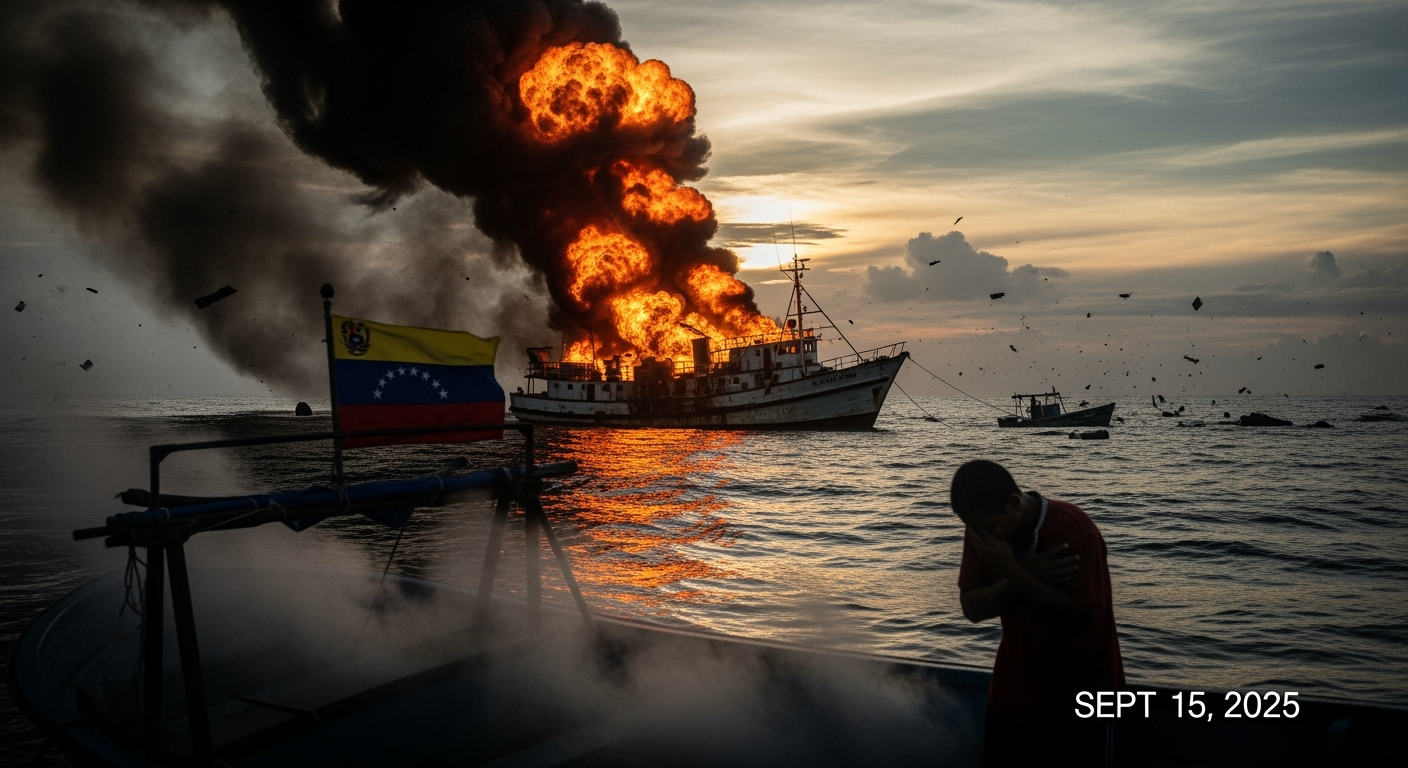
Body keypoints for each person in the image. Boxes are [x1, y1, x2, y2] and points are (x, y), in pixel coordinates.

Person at [951, 460, 1124, 766]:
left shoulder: (1075, 529)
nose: (983, 536)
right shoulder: (983, 533)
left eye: (988, 526)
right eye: (973, 527)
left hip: (1080, 706)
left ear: (1014, 504)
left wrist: (1012, 572)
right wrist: (1021, 575)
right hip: (1012, 698)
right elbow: (972, 608)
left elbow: (1083, 619)